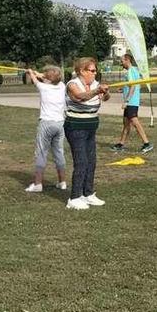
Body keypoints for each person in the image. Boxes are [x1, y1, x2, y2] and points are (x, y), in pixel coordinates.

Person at [64, 57, 110, 210]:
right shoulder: (72, 84)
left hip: (91, 127)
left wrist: (105, 92)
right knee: (81, 161)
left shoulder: (96, 84)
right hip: (75, 127)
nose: (95, 73)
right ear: (81, 71)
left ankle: (87, 194)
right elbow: (80, 96)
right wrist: (97, 90)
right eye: (92, 70)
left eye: (95, 70)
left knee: (92, 161)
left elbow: (105, 98)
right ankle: (74, 197)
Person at [25, 66, 67, 193]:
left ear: (47, 79)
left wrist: (31, 72)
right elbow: (49, 78)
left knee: (41, 153)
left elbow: (35, 80)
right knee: (59, 152)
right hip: (60, 124)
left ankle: (38, 184)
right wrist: (40, 74)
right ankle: (62, 182)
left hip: (46, 124)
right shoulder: (62, 86)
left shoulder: (43, 87)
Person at [111, 54, 153, 153]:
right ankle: (121, 144)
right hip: (132, 101)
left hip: (131, 102)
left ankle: (146, 143)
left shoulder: (130, 71)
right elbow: (133, 85)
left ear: (127, 60)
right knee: (126, 124)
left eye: (122, 61)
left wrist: (126, 101)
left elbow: (133, 86)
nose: (121, 63)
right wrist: (124, 88)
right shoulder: (134, 70)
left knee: (135, 122)